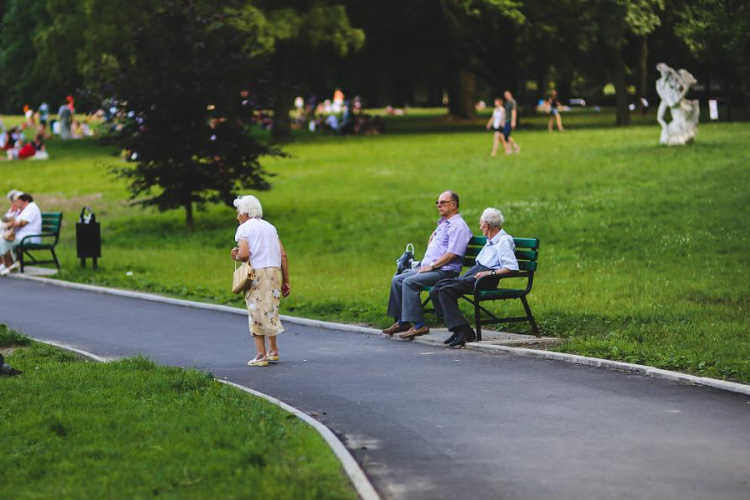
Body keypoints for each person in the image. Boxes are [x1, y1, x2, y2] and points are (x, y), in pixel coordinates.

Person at [383, 191, 473, 340]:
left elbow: (453, 253)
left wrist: (431, 265)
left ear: (453, 204)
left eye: (443, 202)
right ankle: (403, 321)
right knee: (398, 279)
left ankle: (419, 325)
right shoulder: (444, 224)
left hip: (445, 271)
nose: (439, 205)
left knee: (409, 282)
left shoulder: (459, 226)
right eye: (437, 202)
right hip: (431, 268)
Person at [430, 208, 519, 347]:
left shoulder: (504, 241)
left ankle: (463, 330)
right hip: (477, 273)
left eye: (480, 224)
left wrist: (489, 273)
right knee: (437, 289)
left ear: (486, 225)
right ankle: (459, 329)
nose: (480, 227)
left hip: (486, 279)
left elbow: (511, 267)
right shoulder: (490, 240)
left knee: (446, 290)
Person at [230, 195, 291, 367]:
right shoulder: (270, 227)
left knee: (255, 312)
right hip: (274, 273)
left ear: (245, 213)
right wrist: (286, 280)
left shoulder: (244, 229)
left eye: (238, 213)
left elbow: (243, 254)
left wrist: (235, 255)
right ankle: (273, 351)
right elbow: (283, 255)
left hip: (256, 274)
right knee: (270, 310)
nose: (237, 217)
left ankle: (260, 355)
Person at [0, 193, 42, 276]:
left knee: (3, 241)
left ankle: (8, 264)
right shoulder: (21, 210)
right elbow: (11, 220)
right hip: (20, 236)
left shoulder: (31, 208)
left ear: (25, 201)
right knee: (3, 239)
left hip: (29, 237)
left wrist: (8, 224)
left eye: (18, 201)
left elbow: (22, 223)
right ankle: (11, 263)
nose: (15, 203)